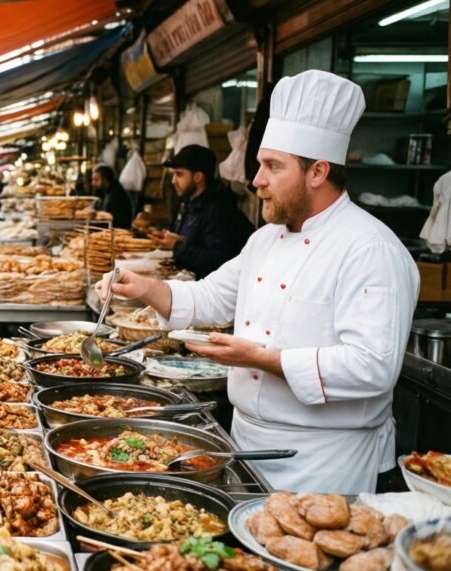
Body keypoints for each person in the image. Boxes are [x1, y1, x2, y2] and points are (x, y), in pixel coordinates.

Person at [96, 70, 419, 494]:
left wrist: (263, 358)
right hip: (246, 444)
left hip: (325, 464)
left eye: (272, 166)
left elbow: (373, 367)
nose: (256, 180)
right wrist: (143, 287)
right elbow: (213, 296)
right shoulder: (265, 238)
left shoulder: (371, 248)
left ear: (318, 171)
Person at [149, 145, 254, 278]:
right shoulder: (188, 203)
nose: (173, 181)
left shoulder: (219, 210)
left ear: (198, 177)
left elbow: (219, 261)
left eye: (179, 174)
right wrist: (170, 237)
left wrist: (177, 246)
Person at [92, 164, 133, 229]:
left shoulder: (117, 195)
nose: (93, 183)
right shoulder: (108, 192)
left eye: (96, 180)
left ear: (105, 180)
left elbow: (115, 221)